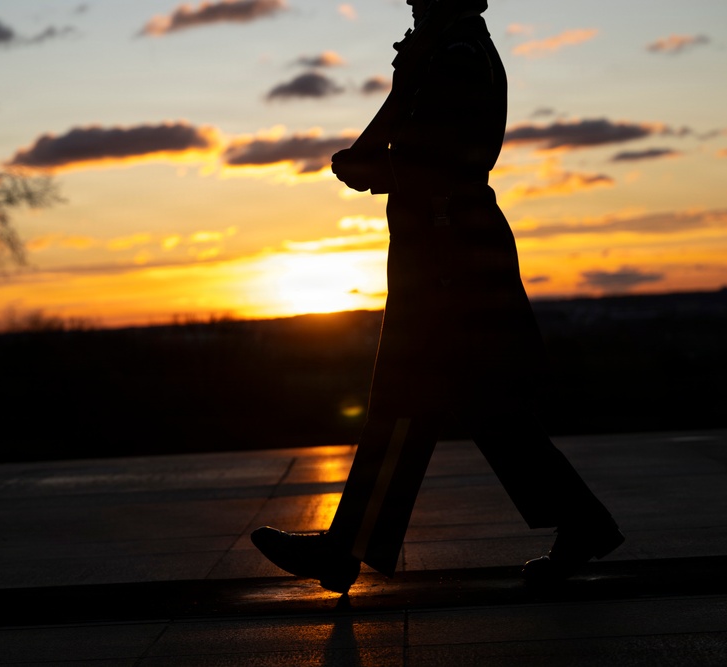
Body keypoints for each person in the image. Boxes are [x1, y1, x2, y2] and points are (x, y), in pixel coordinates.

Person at [252, 0, 622, 594]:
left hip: (449, 254)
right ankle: (579, 525)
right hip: (443, 248)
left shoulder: (455, 54)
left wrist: (379, 162)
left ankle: (346, 551)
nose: (410, 1)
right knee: (462, 408)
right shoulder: (441, 51)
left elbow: (439, 155)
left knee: (419, 402)